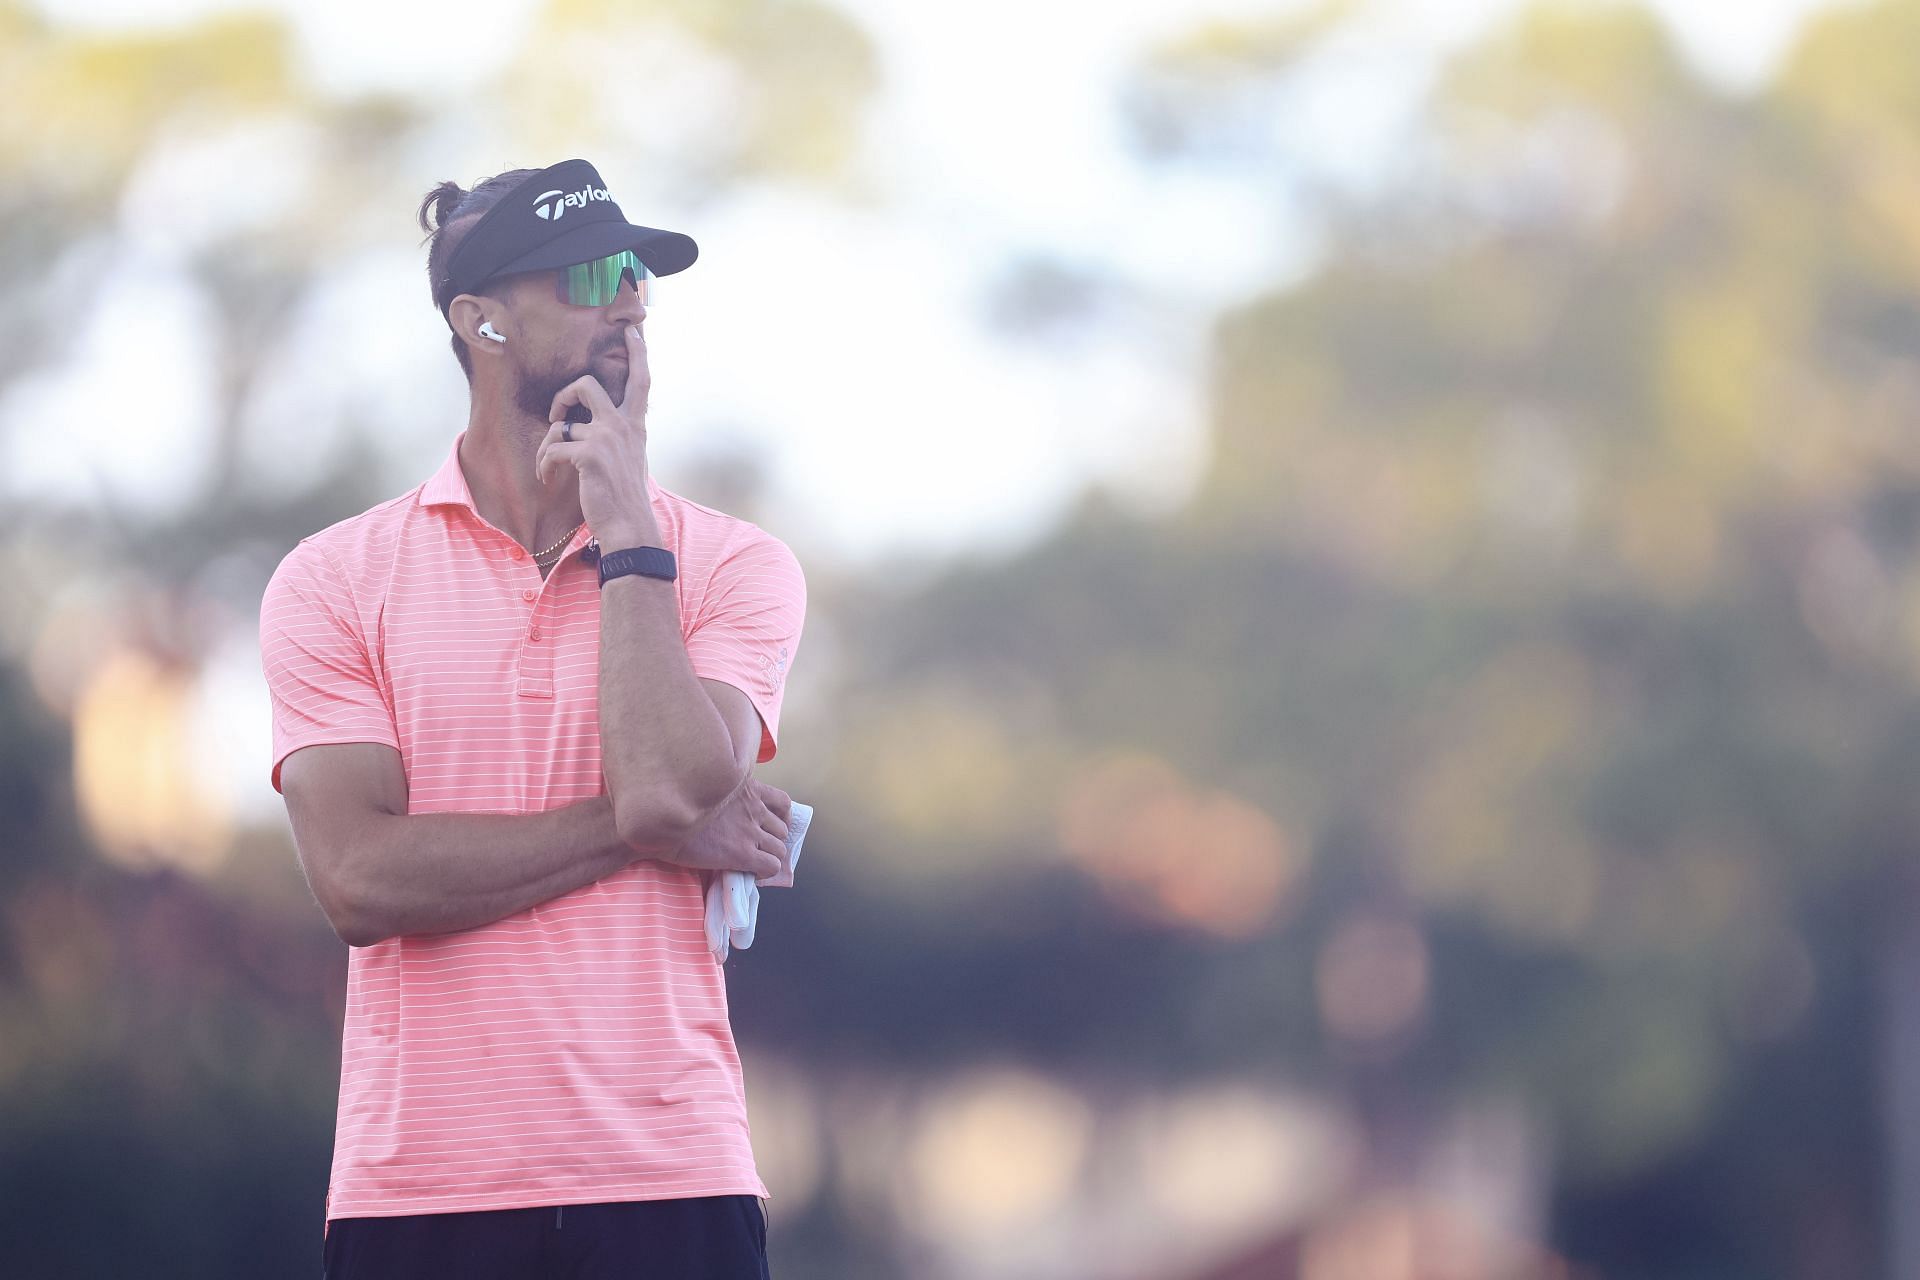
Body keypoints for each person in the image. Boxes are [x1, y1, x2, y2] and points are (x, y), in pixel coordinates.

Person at [258, 158, 805, 1279]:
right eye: (592, 274)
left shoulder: (733, 565)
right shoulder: (332, 579)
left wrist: (627, 527)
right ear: (482, 320)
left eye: (639, 277)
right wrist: (641, 830)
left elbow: (667, 786)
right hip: (422, 1192)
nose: (631, 299)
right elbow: (361, 880)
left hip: (672, 1177)